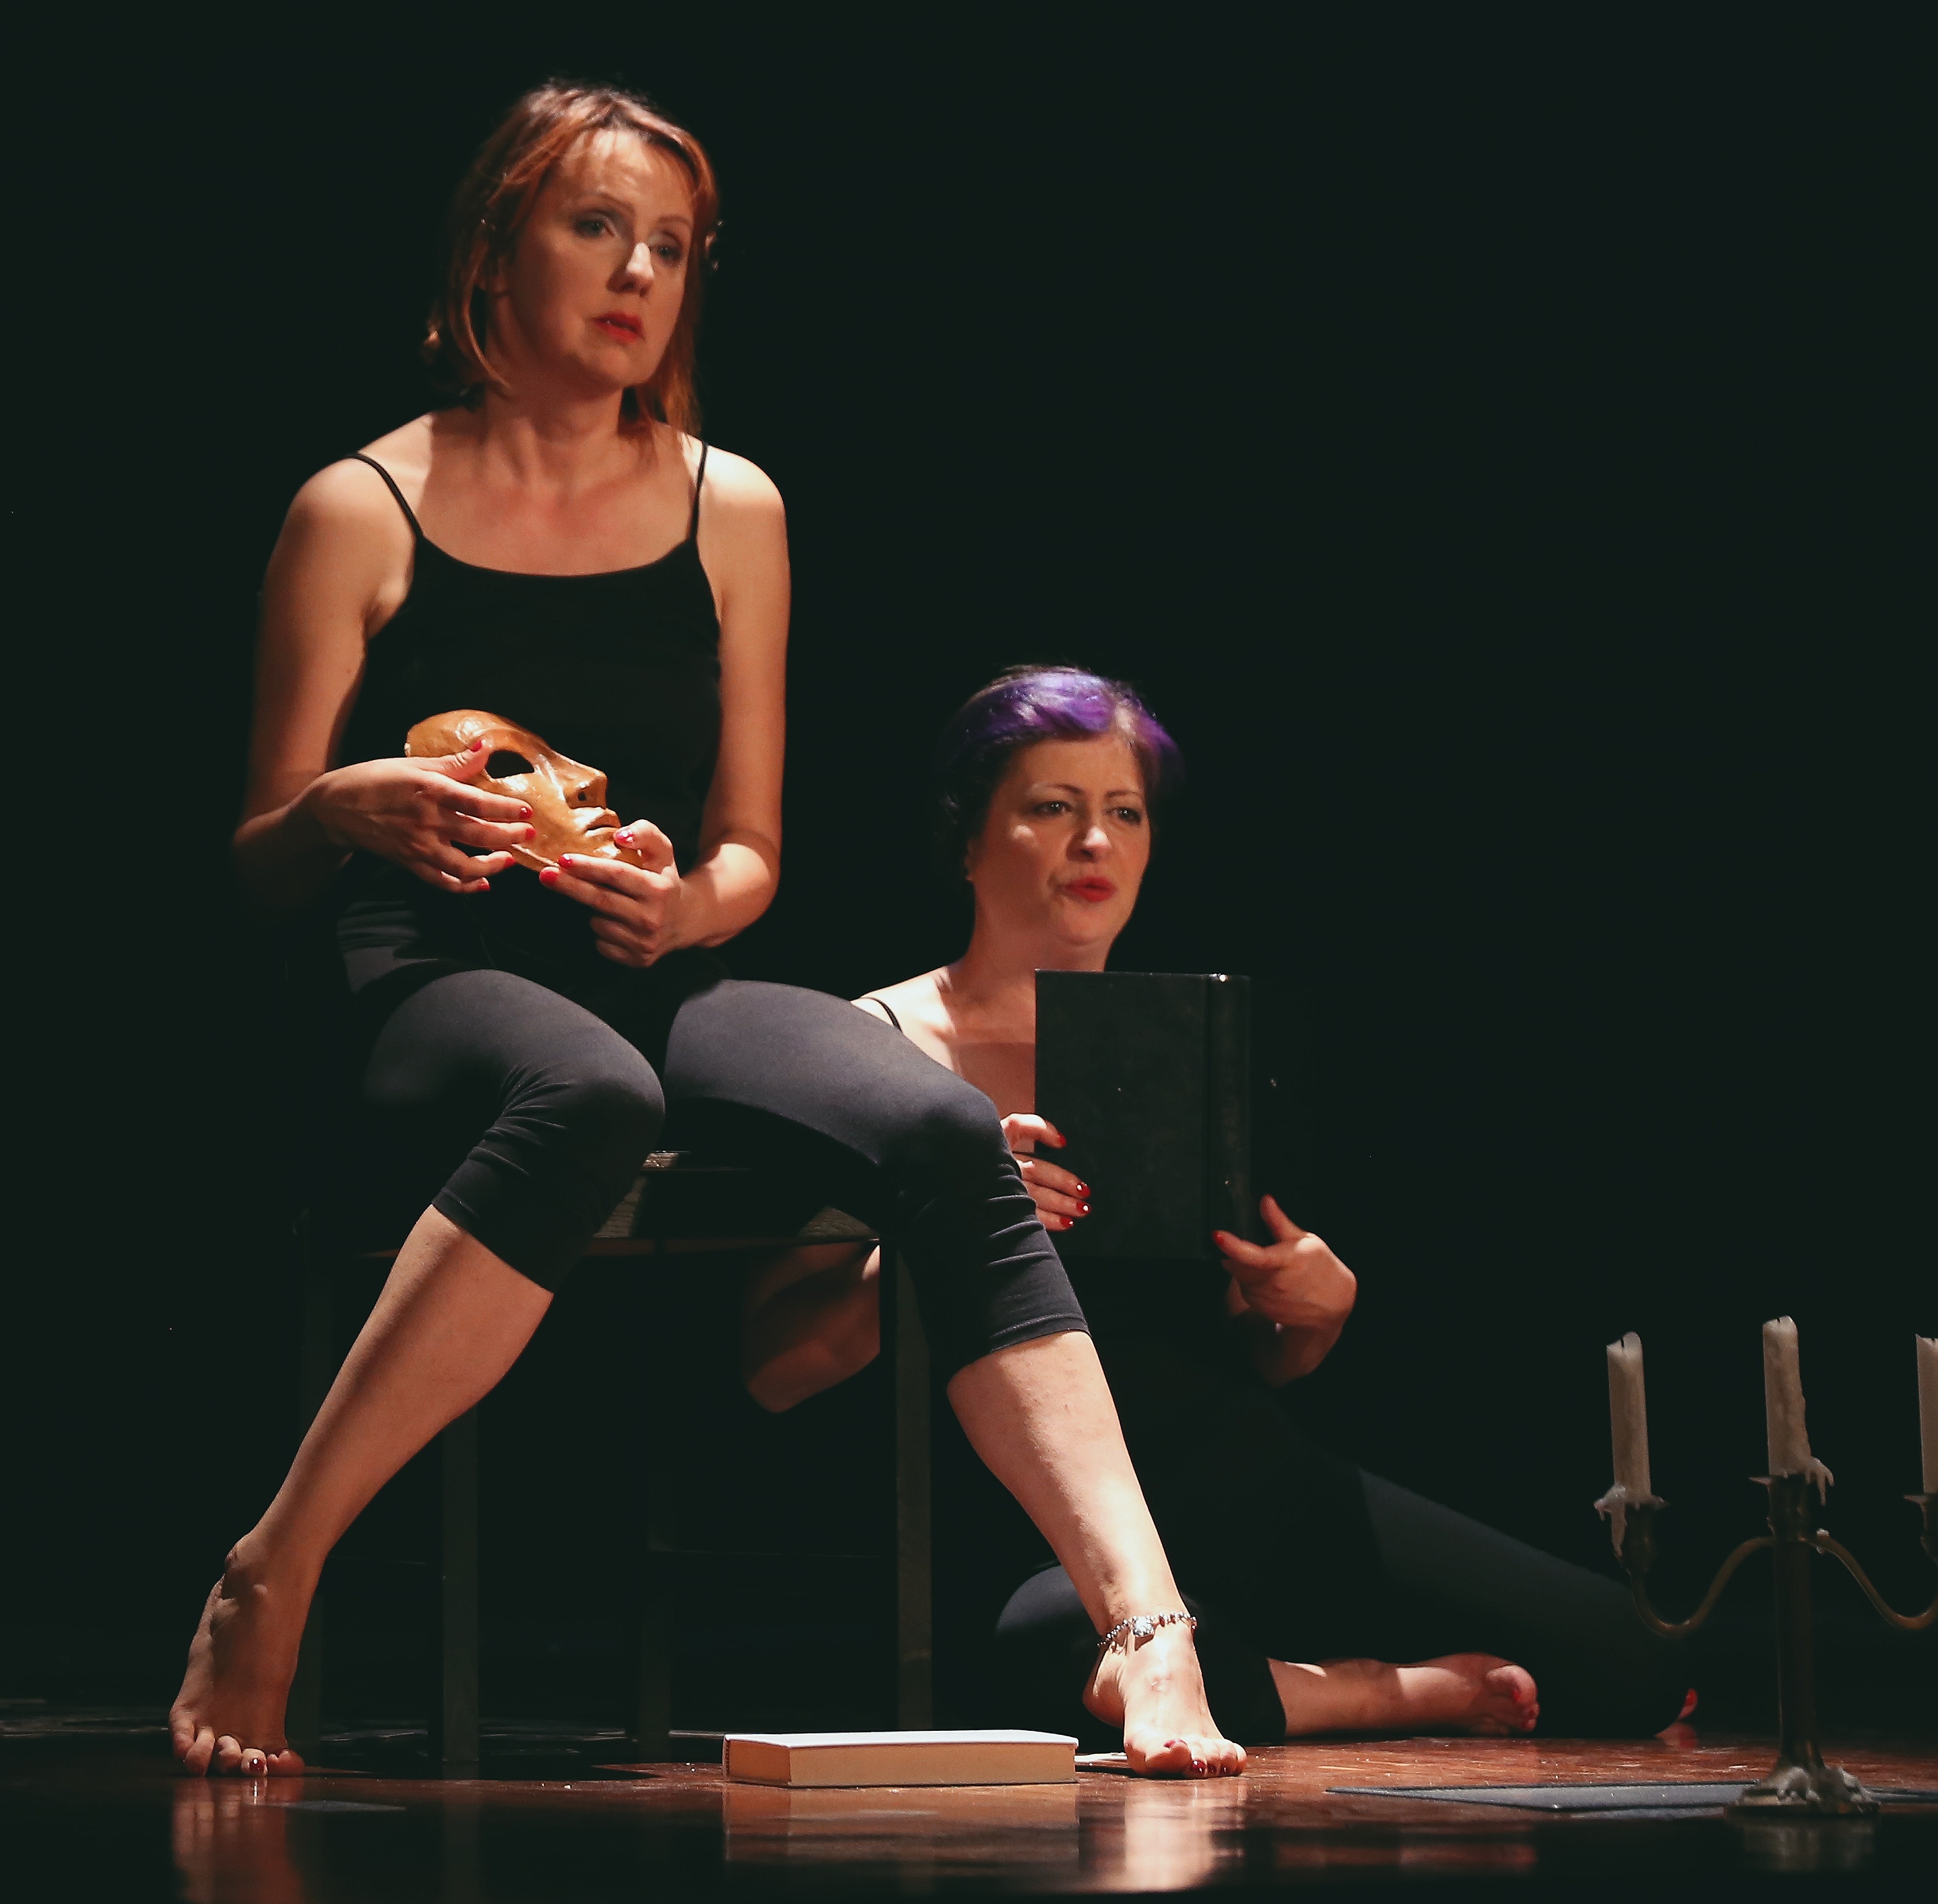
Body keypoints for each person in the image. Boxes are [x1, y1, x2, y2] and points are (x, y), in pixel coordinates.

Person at [173, 86, 1243, 1779]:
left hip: (649, 960)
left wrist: (681, 900)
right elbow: (255, 860)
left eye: (671, 247)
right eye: (596, 228)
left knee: (939, 1126)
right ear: (493, 252)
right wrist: (341, 807)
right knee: (589, 1097)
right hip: (427, 974)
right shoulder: (360, 507)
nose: (637, 276)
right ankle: (272, 1570)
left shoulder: (727, 506)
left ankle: (1146, 1628)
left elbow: (752, 851)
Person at [742, 667, 1692, 1744]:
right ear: (967, 841)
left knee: (1638, 1664)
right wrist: (943, 1225)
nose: (1094, 841)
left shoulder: (1182, 1043)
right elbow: (776, 1368)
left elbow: (1250, 1353)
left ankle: (1261, 1669)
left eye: (1125, 812)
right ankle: (1364, 1691)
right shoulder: (880, 1048)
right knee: (1041, 1646)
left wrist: (1310, 1312)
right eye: (1053, 806)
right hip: (1033, 1536)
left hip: (1239, 1487)